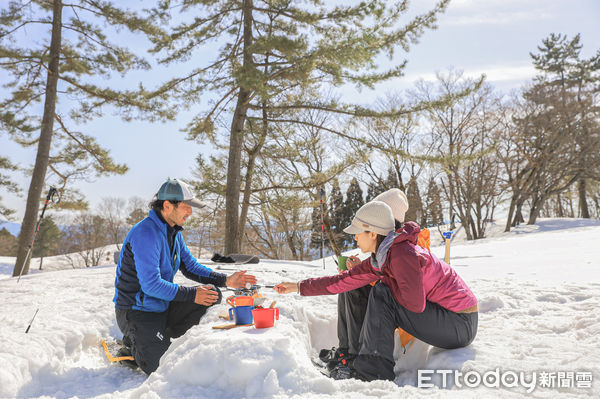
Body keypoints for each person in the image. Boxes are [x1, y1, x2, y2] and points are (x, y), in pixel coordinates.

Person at [275, 200, 478, 381]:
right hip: (448, 318)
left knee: (383, 291)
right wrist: (299, 286)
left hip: (459, 324)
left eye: (357, 232)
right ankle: (353, 357)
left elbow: (415, 304)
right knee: (361, 283)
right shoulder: (385, 255)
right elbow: (342, 281)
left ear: (373, 234)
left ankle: (374, 371)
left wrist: (383, 280)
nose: (354, 238)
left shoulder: (402, 255)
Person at [113, 178, 257, 374]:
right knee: (161, 367)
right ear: (167, 205)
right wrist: (191, 294)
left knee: (211, 294)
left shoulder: (173, 232)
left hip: (161, 306)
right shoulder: (145, 234)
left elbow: (190, 267)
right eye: (186, 207)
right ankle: (134, 343)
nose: (190, 212)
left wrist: (225, 280)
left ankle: (158, 337)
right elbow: (151, 285)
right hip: (137, 311)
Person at [319, 189, 411, 371]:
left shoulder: (401, 244)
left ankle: (354, 356)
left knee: (354, 285)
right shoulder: (388, 241)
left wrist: (362, 276)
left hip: (396, 307)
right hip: (386, 297)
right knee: (347, 282)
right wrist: (357, 270)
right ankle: (345, 350)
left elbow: (392, 286)